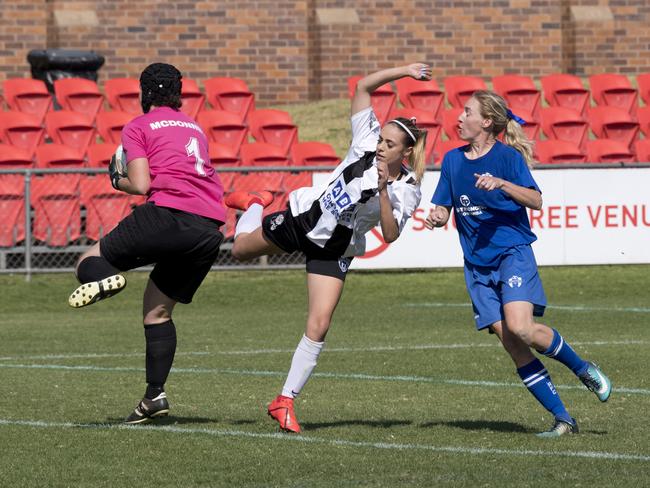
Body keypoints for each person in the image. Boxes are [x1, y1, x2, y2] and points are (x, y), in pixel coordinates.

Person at [224, 63, 431, 433]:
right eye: (381, 140)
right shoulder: (364, 141)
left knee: (319, 324)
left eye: (390, 144)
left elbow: (392, 233)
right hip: (304, 220)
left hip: (336, 248)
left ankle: (284, 400)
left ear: (406, 151)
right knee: (239, 249)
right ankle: (255, 202)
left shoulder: (408, 188)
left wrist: (383, 190)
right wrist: (405, 71)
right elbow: (364, 86)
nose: (381, 147)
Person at [425, 90, 612, 437]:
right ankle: (563, 419)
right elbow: (443, 207)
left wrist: (502, 184)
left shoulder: (508, 158)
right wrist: (436, 216)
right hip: (476, 267)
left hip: (512, 254)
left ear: (487, 122)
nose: (458, 117)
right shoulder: (452, 160)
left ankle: (583, 368)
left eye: (466, 112)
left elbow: (536, 200)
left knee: (522, 328)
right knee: (512, 342)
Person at [68, 63, 226, 424]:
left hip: (167, 213)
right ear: (177, 93)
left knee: (85, 261)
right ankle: (155, 396)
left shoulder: (139, 125)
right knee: (157, 311)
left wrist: (116, 180)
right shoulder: (195, 127)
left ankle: (108, 276)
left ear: (145, 93)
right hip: (208, 229)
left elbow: (140, 185)